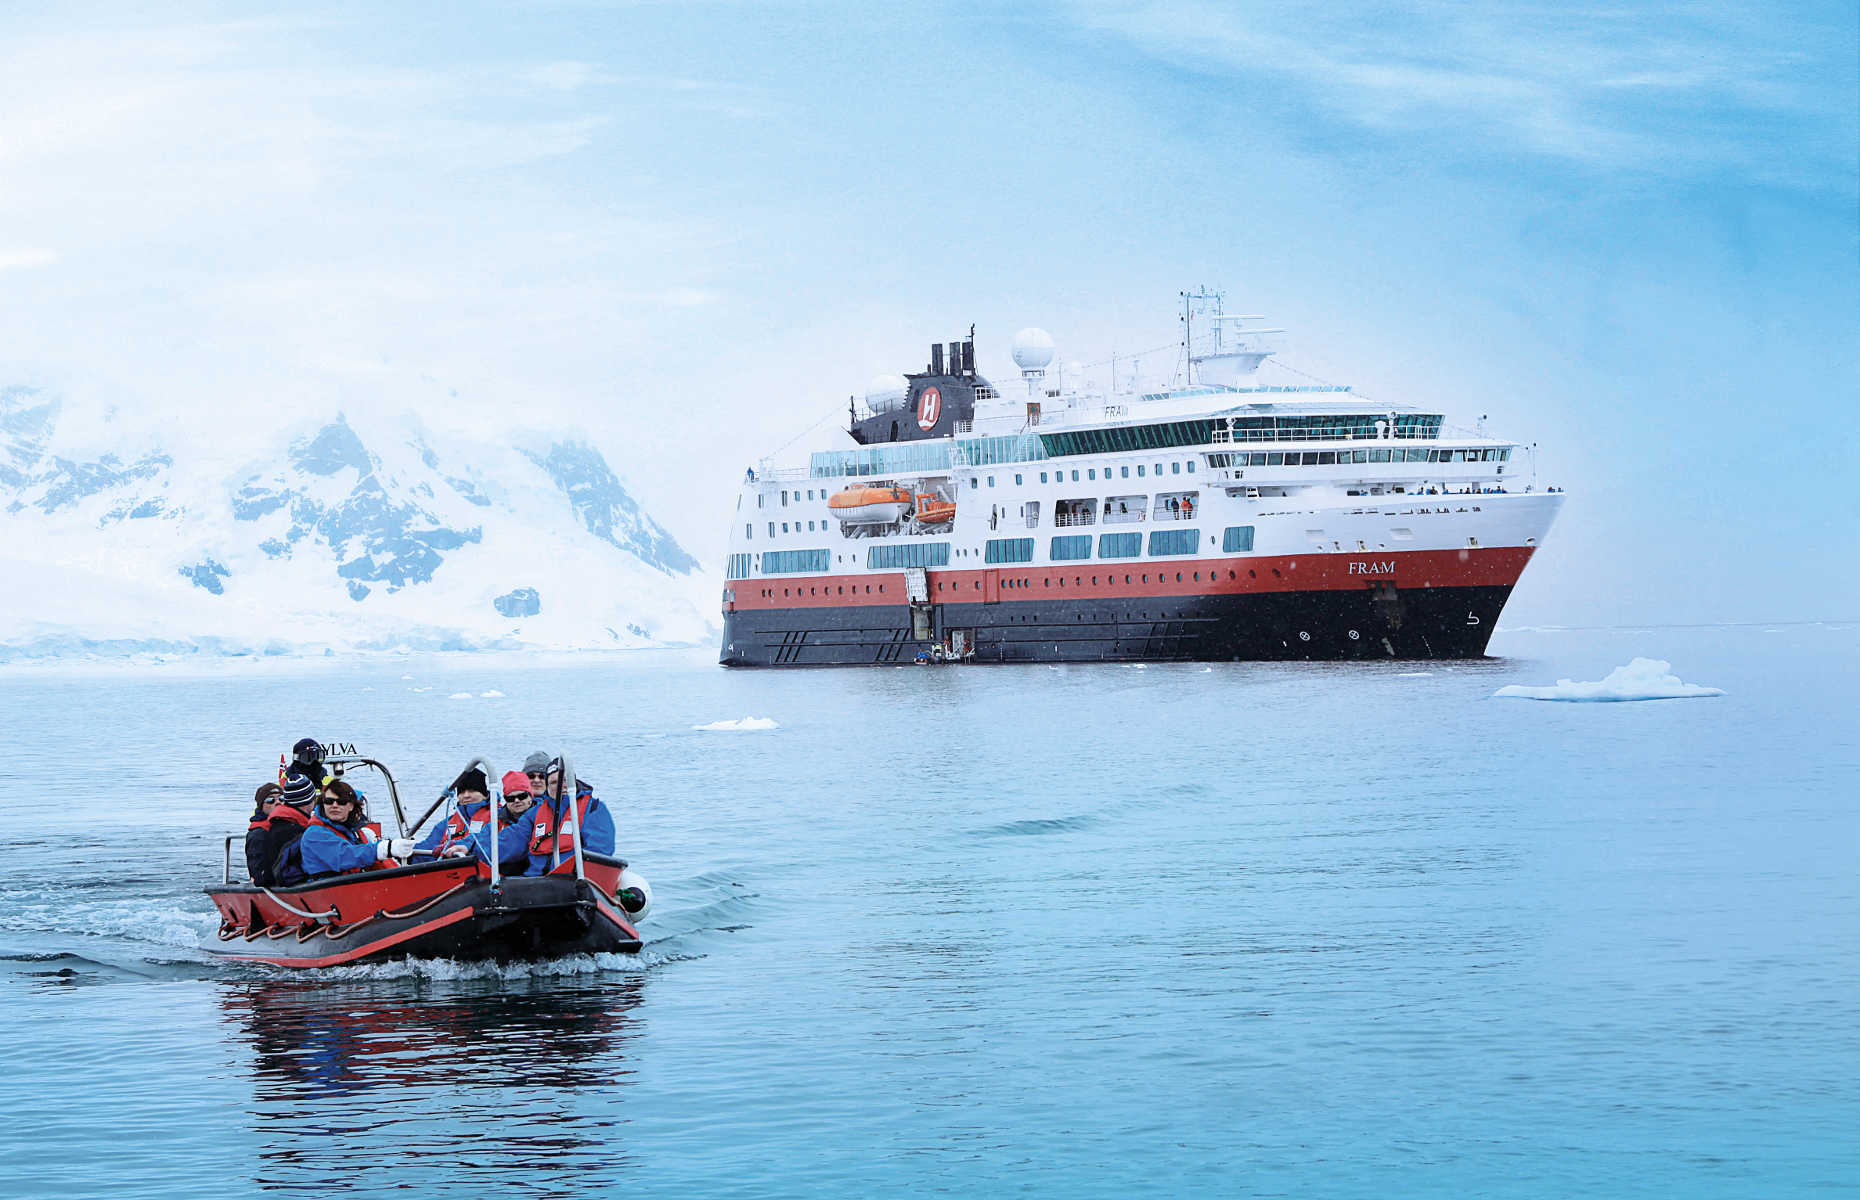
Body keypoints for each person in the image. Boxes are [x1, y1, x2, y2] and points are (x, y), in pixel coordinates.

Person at [298, 781, 413, 879]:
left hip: (353, 889)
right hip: (327, 894)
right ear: (323, 804)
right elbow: (345, 856)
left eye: (341, 802)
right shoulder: (314, 834)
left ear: (351, 806)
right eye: (329, 801)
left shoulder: (353, 832)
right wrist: (383, 849)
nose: (334, 805)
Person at [528, 759, 616, 873]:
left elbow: (600, 849)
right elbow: (513, 838)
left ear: (573, 782)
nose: (561, 786)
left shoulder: (593, 808)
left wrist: (572, 871)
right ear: (547, 787)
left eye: (565, 780)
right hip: (536, 879)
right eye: (554, 782)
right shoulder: (535, 812)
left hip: (574, 877)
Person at [454, 771, 546, 875]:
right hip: (505, 877)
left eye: (522, 796)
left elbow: (513, 843)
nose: (516, 800)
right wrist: (458, 845)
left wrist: (471, 850)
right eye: (510, 798)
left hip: (532, 876)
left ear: (531, 796)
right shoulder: (497, 820)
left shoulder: (541, 816)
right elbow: (480, 837)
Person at [415, 768, 495, 857]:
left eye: (472, 791)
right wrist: (407, 850)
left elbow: (488, 841)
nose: (466, 795)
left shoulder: (497, 817)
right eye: (462, 792)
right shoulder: (446, 824)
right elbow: (427, 847)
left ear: (484, 795)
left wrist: (457, 845)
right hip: (450, 868)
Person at [260, 773, 318, 886]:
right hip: (293, 889)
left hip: (276, 886)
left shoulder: (276, 825)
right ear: (311, 801)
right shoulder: (298, 832)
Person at [245, 781, 283, 884]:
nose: (278, 802)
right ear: (261, 806)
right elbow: (258, 874)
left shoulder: (289, 826)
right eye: (270, 800)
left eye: (281, 798)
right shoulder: (258, 834)